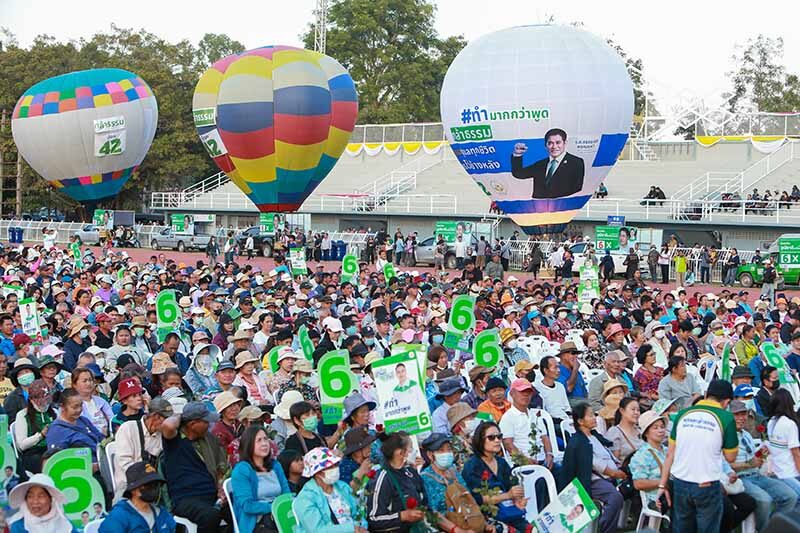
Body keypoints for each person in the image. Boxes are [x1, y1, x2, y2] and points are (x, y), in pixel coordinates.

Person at [656, 380, 739, 533]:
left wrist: (662, 485)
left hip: (680, 483)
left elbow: (670, 454)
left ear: (706, 395)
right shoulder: (726, 418)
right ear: (727, 401)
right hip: (706, 485)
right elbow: (731, 457)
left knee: (682, 529)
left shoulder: (682, 414)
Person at [728, 399, 797, 530]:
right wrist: (749, 464)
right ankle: (765, 529)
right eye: (736, 414)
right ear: (729, 416)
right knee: (764, 500)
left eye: (743, 414)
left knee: (791, 496)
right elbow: (724, 465)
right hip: (739, 478)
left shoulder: (746, 434)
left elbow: (754, 460)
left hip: (756, 475)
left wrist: (761, 455)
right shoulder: (725, 435)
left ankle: (772, 528)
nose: (741, 418)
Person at [161, 401, 227, 533]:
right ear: (192, 424)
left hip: (212, 494)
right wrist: (182, 416)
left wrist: (221, 487)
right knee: (210, 516)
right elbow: (167, 425)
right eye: (205, 422)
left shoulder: (208, 439)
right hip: (186, 499)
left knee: (239, 509)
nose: (209, 425)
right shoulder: (175, 441)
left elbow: (221, 467)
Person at [559, 402, 624, 533]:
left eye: (594, 415)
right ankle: (604, 529)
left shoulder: (594, 436)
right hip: (590, 480)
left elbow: (607, 455)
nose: (594, 418)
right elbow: (596, 465)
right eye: (590, 416)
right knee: (615, 497)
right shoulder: (578, 442)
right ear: (580, 421)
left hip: (609, 476)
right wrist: (615, 473)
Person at [462, 421, 529, 532]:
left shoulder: (501, 463)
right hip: (487, 518)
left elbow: (511, 487)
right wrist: (507, 495)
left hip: (508, 513)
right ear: (480, 440)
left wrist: (517, 501)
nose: (497, 440)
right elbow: (476, 499)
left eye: (499, 436)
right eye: (491, 437)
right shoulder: (472, 467)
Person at [419, 432, 491, 533]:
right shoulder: (425, 478)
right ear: (430, 455)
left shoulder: (454, 471)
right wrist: (458, 530)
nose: (446, 453)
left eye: (449, 449)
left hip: (468, 521)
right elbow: (434, 513)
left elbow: (469, 499)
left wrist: (483, 523)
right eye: (441, 450)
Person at [230, 425, 291, 532]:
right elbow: (247, 505)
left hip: (281, 517)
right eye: (259, 440)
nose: (264, 444)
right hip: (258, 522)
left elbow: (286, 494)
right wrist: (274, 508)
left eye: (265, 439)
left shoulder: (275, 465)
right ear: (249, 445)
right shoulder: (242, 470)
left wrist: (281, 509)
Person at [113, 397, 173, 502]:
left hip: (155, 487)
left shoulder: (162, 434)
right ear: (155, 416)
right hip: (128, 487)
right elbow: (124, 463)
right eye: (166, 419)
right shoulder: (128, 428)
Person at [294, 447, 368, 532]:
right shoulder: (305, 498)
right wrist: (352, 529)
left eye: (336, 465)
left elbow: (357, 514)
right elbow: (317, 530)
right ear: (318, 473)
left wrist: (362, 527)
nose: (335, 468)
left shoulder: (343, 487)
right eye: (330, 467)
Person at [100, 461, 176, 533]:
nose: (154, 488)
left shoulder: (162, 513)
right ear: (133, 490)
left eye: (156, 484)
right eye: (148, 485)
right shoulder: (118, 516)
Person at [511, 128, 585, 198]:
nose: (554, 146)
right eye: (550, 143)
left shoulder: (576, 162)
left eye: (558, 142)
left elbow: (577, 189)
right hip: (539, 208)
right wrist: (517, 155)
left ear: (565, 143)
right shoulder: (540, 164)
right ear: (545, 145)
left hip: (563, 207)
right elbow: (518, 173)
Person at [13, 379, 56, 475]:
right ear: (31, 400)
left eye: (46, 399)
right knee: (40, 460)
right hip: (34, 453)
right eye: (39, 399)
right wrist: (40, 435)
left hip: (53, 449)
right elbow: (21, 446)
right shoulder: (23, 415)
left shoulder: (55, 413)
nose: (44, 403)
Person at [7, 473, 76, 533]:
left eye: (41, 496)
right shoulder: (19, 526)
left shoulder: (65, 525)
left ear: (51, 499)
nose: (35, 501)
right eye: (30, 496)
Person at [629, 410, 669, 509]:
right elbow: (638, 483)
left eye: (662, 427)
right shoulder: (642, 455)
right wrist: (663, 483)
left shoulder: (667, 450)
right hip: (654, 499)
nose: (660, 430)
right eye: (655, 428)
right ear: (646, 433)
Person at [766, 388, 800, 499]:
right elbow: (796, 453)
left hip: (777, 471)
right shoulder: (790, 424)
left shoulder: (771, 422)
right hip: (790, 472)